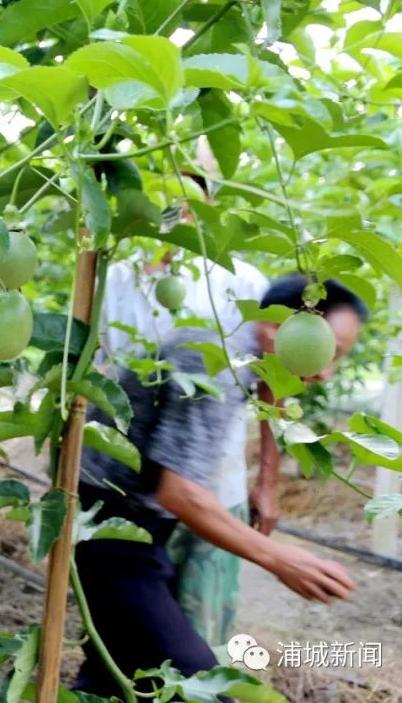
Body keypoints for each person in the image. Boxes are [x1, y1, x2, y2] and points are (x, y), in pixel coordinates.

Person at [73, 274, 367, 697]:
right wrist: (280, 559)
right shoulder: (216, 366)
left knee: (117, 666)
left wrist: (268, 480)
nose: (326, 372)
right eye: (328, 353)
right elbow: (178, 492)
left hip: (129, 524)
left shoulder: (235, 356)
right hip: (108, 529)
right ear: (277, 327)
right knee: (201, 686)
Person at [97, 253, 275, 652]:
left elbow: (273, 378)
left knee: (200, 634)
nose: (179, 208)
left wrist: (267, 478)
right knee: (142, 637)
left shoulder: (243, 279)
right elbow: (99, 368)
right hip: (135, 495)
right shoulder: (116, 274)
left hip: (215, 488)